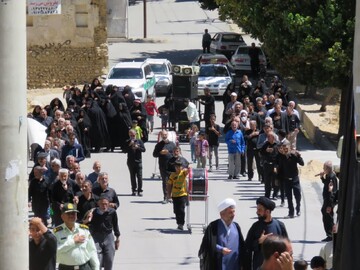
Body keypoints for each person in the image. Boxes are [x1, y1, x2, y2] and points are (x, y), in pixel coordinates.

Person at [198, 198, 247, 270]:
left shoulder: (236, 226)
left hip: (235, 266)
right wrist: (220, 249)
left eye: (234, 212)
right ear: (222, 214)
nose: (233, 215)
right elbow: (207, 244)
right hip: (218, 266)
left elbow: (242, 246)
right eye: (230, 213)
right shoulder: (213, 226)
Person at [245, 196, 288, 270]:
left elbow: (287, 247)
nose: (257, 212)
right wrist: (259, 241)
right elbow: (247, 246)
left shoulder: (279, 226)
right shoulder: (255, 227)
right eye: (257, 209)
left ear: (267, 212)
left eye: (260, 210)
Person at [53, 203, 100, 270]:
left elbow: (92, 250)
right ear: (62, 216)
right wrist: (73, 241)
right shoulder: (56, 232)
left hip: (84, 267)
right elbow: (56, 251)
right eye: (68, 213)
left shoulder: (84, 229)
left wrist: (96, 268)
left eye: (74, 213)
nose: (71, 215)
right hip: (66, 268)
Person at [83, 194, 120, 270]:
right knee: (97, 259)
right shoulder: (92, 212)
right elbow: (83, 223)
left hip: (108, 236)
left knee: (109, 258)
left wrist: (117, 238)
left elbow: (115, 225)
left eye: (106, 204)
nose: (104, 206)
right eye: (102, 204)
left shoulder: (112, 212)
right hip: (96, 236)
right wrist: (88, 219)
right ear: (98, 204)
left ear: (109, 204)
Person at [277, 140, 304, 218]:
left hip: (295, 179)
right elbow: (280, 169)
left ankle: (298, 208)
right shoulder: (282, 157)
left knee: (297, 195)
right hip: (286, 180)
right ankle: (291, 213)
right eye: (283, 148)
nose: (285, 149)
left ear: (289, 147)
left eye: (286, 148)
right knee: (289, 197)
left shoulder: (294, 155)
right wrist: (278, 179)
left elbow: (302, 163)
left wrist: (299, 156)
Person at [153, 130, 176, 203]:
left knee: (172, 182)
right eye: (163, 135)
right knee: (165, 182)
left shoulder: (172, 144)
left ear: (167, 135)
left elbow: (176, 154)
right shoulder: (159, 145)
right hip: (163, 166)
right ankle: (166, 197)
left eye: (165, 135)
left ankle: (171, 197)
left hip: (171, 166)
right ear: (161, 136)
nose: (164, 136)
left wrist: (169, 153)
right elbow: (154, 154)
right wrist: (160, 152)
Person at [166, 159, 189, 230]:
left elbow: (189, 171)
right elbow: (169, 185)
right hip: (175, 195)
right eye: (176, 167)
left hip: (182, 194)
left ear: (181, 167)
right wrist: (168, 195)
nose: (178, 168)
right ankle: (178, 221)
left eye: (179, 166)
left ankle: (181, 224)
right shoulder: (172, 175)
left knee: (181, 210)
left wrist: (188, 169)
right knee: (176, 210)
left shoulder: (183, 173)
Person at [319, 160, 338, 242]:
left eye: (324, 168)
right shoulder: (328, 176)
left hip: (329, 201)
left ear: (328, 168)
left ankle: (331, 234)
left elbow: (331, 191)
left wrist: (330, 205)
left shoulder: (331, 177)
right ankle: (331, 234)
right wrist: (322, 177)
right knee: (326, 215)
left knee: (328, 218)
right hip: (327, 200)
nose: (323, 169)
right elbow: (326, 184)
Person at [124, 129, 146, 196]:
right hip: (130, 162)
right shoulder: (127, 141)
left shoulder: (139, 141)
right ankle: (134, 190)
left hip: (138, 161)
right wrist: (129, 145)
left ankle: (140, 190)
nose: (132, 136)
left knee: (139, 176)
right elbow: (124, 150)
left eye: (133, 135)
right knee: (132, 176)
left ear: (136, 135)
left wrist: (138, 147)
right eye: (131, 135)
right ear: (129, 135)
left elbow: (144, 150)